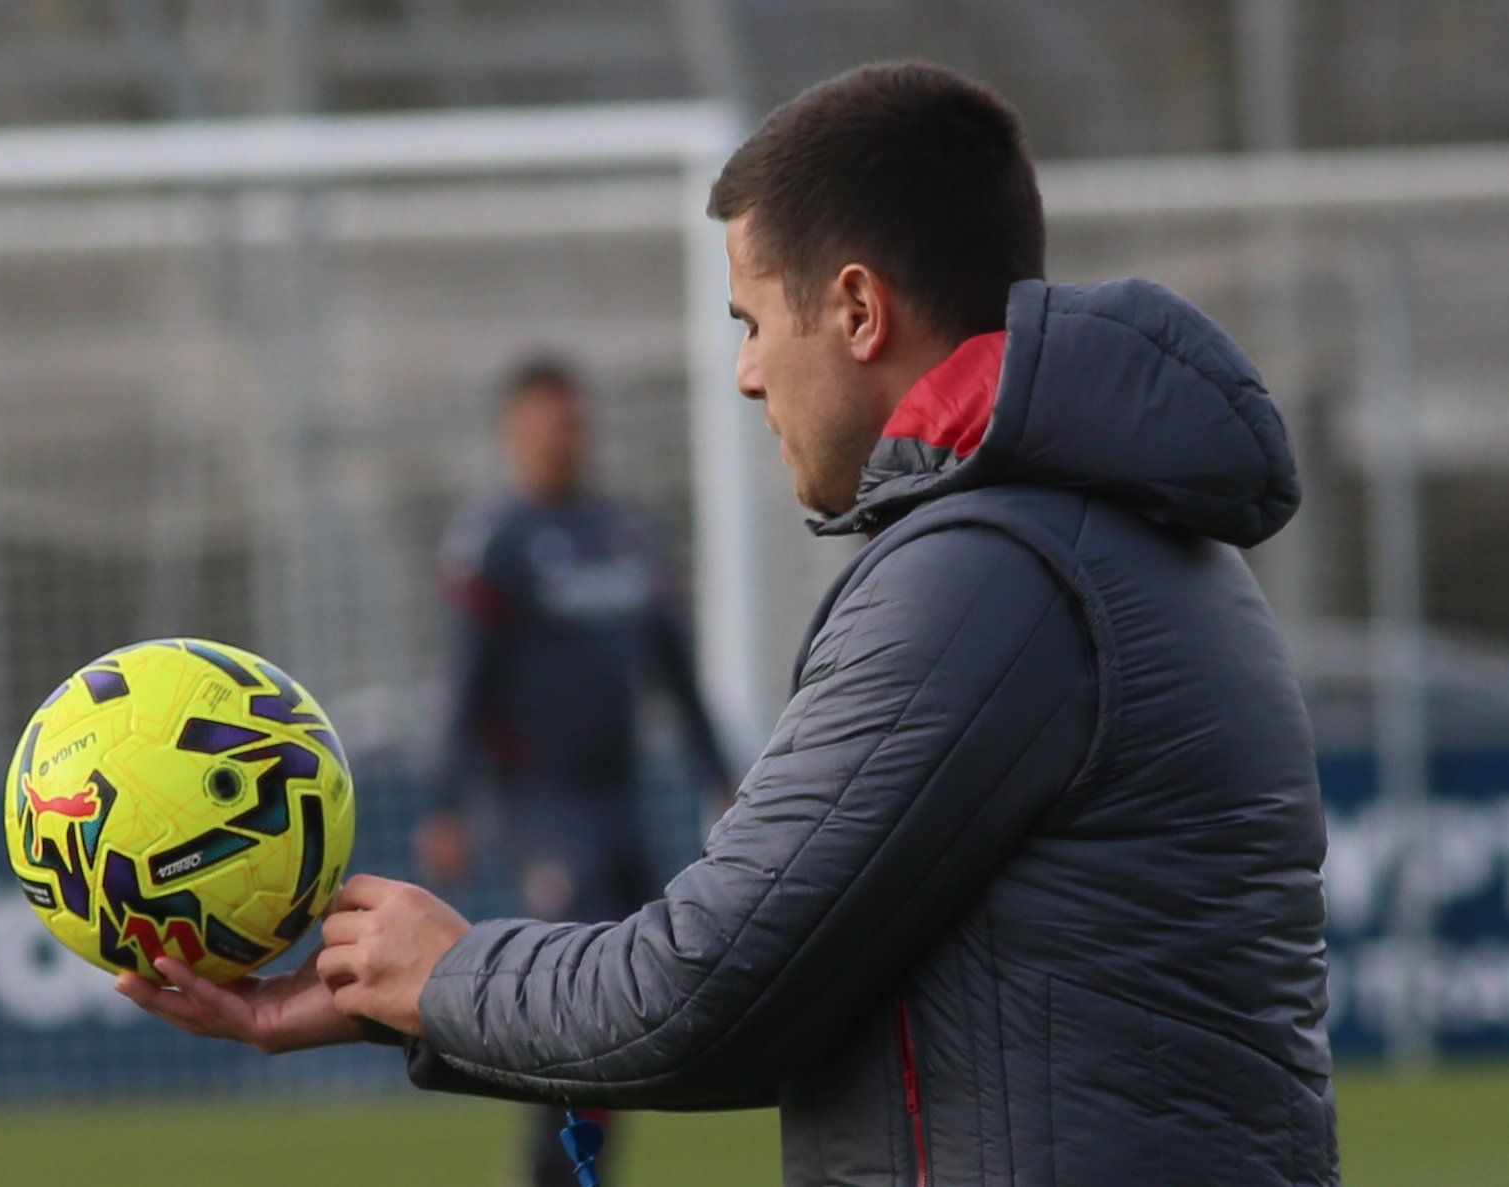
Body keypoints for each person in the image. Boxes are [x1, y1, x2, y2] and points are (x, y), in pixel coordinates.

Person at [119, 61, 1338, 1186]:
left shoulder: (989, 575)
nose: (747, 374)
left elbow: (699, 989)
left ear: (857, 310)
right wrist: (405, 1000)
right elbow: (778, 1013)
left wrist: (446, 973)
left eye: (754, 321)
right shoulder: (1111, 537)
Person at [415, 356, 735, 1184]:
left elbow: (676, 669)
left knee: (637, 999)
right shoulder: (495, 542)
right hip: (545, 803)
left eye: (576, 418)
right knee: (573, 992)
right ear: (516, 429)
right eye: (552, 419)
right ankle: (550, 1172)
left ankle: (580, 1170)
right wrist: (448, 803)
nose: (568, 434)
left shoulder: (626, 530)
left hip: (626, 794)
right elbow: (465, 684)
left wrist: (719, 771)